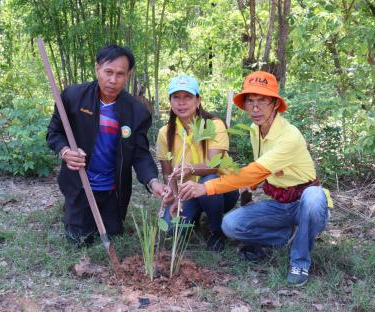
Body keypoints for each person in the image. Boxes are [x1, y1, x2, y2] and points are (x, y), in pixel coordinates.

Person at [179, 71, 333, 286]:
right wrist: (249, 189)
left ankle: (300, 260)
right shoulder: (255, 129)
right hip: (281, 204)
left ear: (275, 105)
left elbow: (255, 170)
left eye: (262, 101)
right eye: (250, 101)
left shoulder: (289, 136)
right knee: (230, 225)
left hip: (305, 203)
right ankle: (289, 236)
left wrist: (206, 188)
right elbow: (261, 167)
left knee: (315, 197)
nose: (255, 108)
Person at [47, 44, 166, 246]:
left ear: (129, 74)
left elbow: (140, 154)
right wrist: (66, 151)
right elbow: (54, 133)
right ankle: (73, 209)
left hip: (113, 189)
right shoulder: (73, 97)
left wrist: (153, 181)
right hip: (80, 184)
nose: (113, 80)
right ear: (97, 68)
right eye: (108, 72)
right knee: (79, 240)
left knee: (113, 235)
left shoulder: (137, 111)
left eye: (120, 74)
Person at [156, 74, 239, 252]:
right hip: (187, 191)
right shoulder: (165, 133)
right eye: (176, 97)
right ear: (170, 101)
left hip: (221, 190)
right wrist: (176, 197)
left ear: (198, 100)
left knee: (208, 179)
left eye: (187, 97)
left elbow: (213, 165)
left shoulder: (214, 125)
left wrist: (190, 169)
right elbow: (167, 172)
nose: (182, 103)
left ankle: (215, 230)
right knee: (171, 230)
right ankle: (193, 218)